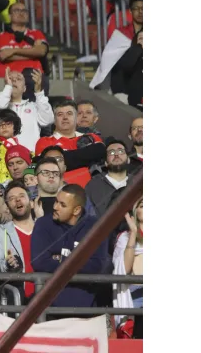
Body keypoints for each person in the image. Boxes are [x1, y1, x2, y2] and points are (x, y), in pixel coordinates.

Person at [31, 184, 109, 314]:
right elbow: (39, 262)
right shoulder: (43, 224)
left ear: (76, 210)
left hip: (87, 309)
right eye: (56, 201)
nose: (55, 207)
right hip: (49, 310)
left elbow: (96, 266)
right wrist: (79, 261)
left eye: (62, 205)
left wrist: (59, 258)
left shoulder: (96, 227)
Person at [35, 100, 105, 187]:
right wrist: (88, 155)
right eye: (60, 114)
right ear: (54, 119)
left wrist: (62, 158)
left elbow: (101, 152)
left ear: (76, 118)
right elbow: (45, 166)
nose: (65, 117)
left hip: (94, 190)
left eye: (69, 113)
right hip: (60, 192)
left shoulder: (92, 137)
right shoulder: (44, 141)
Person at [0, 68, 53, 152]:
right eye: (10, 78)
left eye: (19, 78)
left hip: (29, 161)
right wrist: (8, 88)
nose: (14, 80)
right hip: (0, 162)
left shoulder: (34, 107)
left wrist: (39, 92)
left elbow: (48, 120)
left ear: (24, 88)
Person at [0, 180, 37, 301]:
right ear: (7, 206)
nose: (17, 200)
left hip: (48, 298)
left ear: (31, 203)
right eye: (11, 198)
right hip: (17, 300)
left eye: (22, 196)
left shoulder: (44, 229)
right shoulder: (0, 232)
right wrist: (7, 265)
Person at [0, 3, 49, 99]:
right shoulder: (2, 36)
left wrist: (13, 51)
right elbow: (4, 55)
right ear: (9, 16)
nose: (21, 13)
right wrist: (33, 52)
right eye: (17, 10)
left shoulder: (36, 33)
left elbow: (41, 52)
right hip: (13, 81)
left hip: (36, 79)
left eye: (24, 11)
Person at [113, 197, 143, 339]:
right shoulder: (124, 237)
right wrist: (133, 234)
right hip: (137, 298)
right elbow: (123, 269)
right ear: (135, 212)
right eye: (142, 205)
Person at [85, 139, 136, 218]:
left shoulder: (138, 183)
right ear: (106, 163)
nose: (116, 154)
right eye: (111, 152)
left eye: (120, 151)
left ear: (128, 159)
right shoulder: (92, 186)